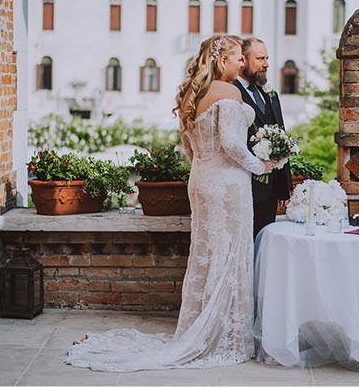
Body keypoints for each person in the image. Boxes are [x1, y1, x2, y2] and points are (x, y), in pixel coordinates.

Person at [65, 35, 275, 371]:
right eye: (238, 59)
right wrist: (263, 165)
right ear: (223, 61)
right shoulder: (230, 91)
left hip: (202, 179)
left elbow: (189, 150)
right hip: (228, 184)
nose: (241, 65)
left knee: (208, 253)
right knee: (231, 253)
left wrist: (209, 165)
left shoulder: (191, 93)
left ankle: (202, 328)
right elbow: (234, 146)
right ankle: (226, 337)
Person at [232, 38, 292, 237]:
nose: (266, 64)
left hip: (270, 192)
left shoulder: (269, 94)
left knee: (263, 245)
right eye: (259, 58)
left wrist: (284, 188)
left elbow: (282, 137)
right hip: (244, 187)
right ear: (243, 61)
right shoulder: (232, 92)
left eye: (267, 58)